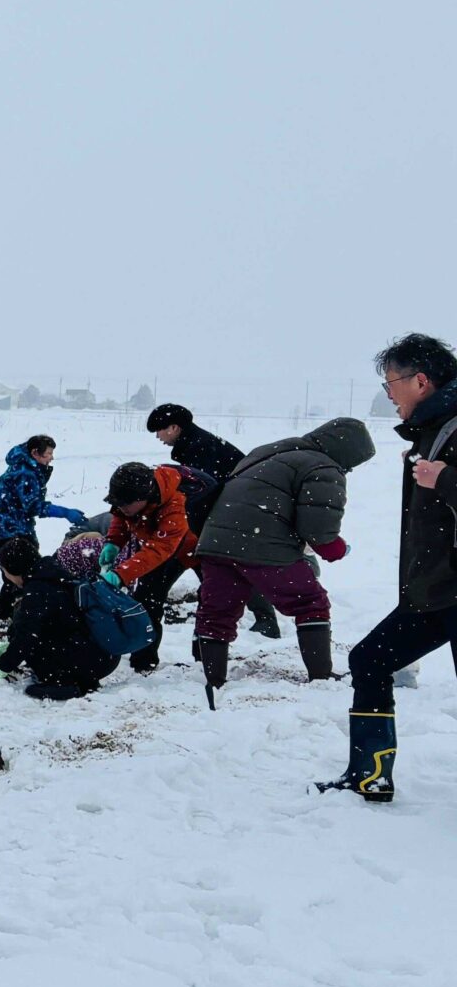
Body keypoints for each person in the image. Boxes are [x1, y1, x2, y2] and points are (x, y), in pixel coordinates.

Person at [327, 335, 457, 802]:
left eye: (390, 384)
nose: (388, 395)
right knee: (370, 659)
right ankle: (370, 775)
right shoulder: (434, 432)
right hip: (436, 593)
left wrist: (446, 478)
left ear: (420, 381)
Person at [191, 417, 373, 692]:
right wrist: (336, 549)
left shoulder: (269, 453)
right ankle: (321, 677)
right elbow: (318, 529)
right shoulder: (323, 467)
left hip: (216, 542)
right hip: (264, 545)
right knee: (310, 603)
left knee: (217, 611)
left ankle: (213, 680)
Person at [150, 402, 280, 638]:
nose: (157, 437)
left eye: (158, 431)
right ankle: (263, 620)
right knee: (220, 567)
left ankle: (262, 620)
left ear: (174, 428)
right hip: (223, 514)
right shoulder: (195, 444)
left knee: (225, 566)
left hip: (230, 514)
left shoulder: (199, 447)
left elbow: (204, 489)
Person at [0, 534, 123, 700]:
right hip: (104, 654)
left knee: (31, 640)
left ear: (14, 568)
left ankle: (64, 683)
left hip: (90, 660)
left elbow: (26, 636)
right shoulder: (52, 573)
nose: (6, 577)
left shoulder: (38, 589)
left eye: (4, 571)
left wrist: (2, 666)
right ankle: (81, 679)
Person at [99, 462, 194, 674]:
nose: (121, 508)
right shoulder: (132, 502)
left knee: (212, 602)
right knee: (146, 601)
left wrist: (120, 574)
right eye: (117, 503)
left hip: (195, 548)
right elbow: (122, 517)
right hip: (159, 547)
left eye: (125, 504)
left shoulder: (175, 505)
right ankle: (143, 662)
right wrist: (113, 542)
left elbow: (160, 549)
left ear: (143, 498)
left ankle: (204, 661)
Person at [0, 435, 85, 622]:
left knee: (23, 569)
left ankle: (14, 611)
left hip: (10, 526)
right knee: (19, 572)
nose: (51, 458)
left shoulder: (27, 465)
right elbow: (32, 506)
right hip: (6, 529)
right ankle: (7, 615)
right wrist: (64, 512)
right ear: (35, 453)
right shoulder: (25, 473)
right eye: (48, 454)